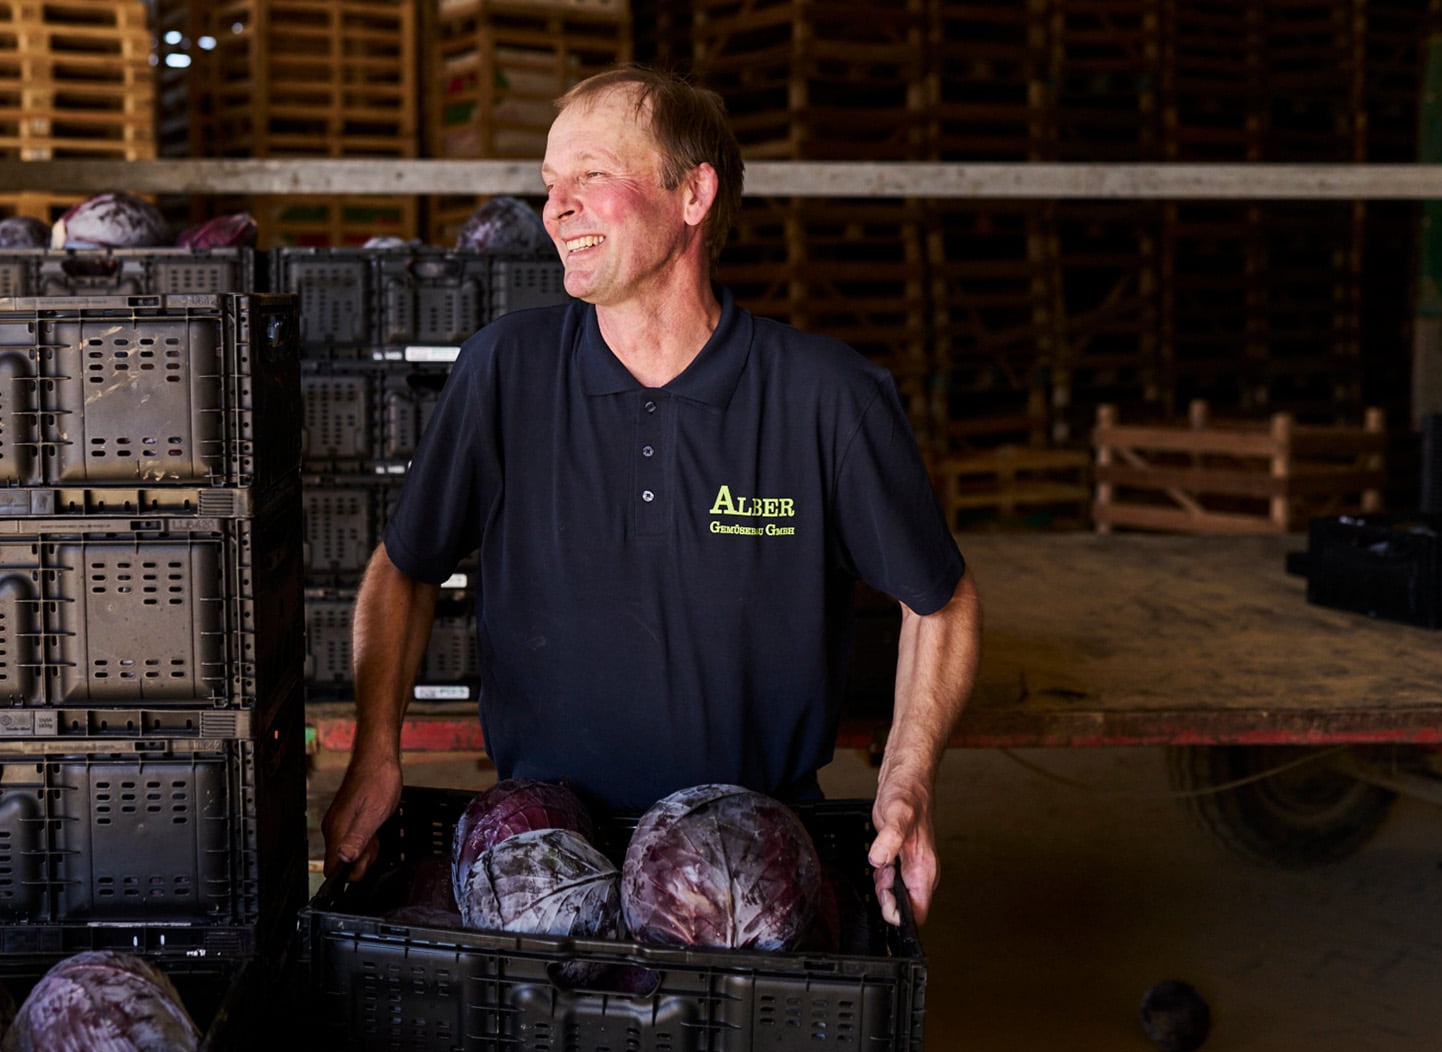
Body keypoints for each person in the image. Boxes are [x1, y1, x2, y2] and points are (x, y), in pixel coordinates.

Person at [322, 65, 981, 928]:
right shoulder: (505, 370)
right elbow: (402, 570)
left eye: (591, 175)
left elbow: (940, 601)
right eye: (550, 184)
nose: (556, 207)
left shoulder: (826, 396)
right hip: (542, 859)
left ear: (693, 194)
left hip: (754, 862)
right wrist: (377, 753)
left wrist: (907, 776)